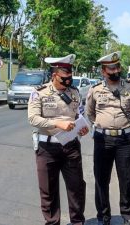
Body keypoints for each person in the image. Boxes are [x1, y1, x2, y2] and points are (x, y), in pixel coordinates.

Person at [28, 54, 89, 225]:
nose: (68, 79)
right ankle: (52, 222)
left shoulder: (75, 93)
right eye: (64, 77)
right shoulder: (39, 93)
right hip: (47, 149)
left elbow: (80, 114)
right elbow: (33, 119)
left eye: (70, 75)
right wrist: (57, 123)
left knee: (76, 187)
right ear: (54, 75)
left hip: (71, 146)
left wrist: (82, 128)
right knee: (48, 191)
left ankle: (77, 222)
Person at [86, 51, 130, 225]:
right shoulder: (95, 90)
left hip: (125, 140)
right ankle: (103, 217)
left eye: (117, 67)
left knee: (126, 178)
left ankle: (128, 215)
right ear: (103, 72)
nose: (115, 70)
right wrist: (104, 126)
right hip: (103, 140)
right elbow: (90, 113)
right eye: (111, 69)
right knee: (101, 179)